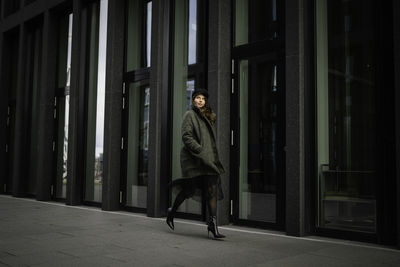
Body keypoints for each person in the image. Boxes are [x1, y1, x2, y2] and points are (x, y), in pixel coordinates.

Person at [166, 89, 226, 239]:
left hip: (207, 159)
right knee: (188, 190)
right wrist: (200, 150)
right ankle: (172, 211)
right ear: (193, 100)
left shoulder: (209, 117)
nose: (200, 100)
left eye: (203, 98)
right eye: (198, 98)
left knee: (212, 188)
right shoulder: (189, 115)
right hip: (193, 159)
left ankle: (212, 225)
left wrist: (207, 154)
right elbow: (186, 136)